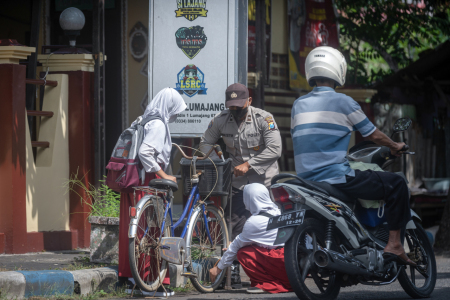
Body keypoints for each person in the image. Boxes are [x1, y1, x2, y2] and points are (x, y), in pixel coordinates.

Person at [291, 46, 416, 266]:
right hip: (336, 177)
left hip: (306, 179)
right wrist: (394, 144)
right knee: (396, 183)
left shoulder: (298, 104)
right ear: (338, 71)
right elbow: (373, 134)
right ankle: (395, 244)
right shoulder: (344, 102)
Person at [199, 83, 282, 283]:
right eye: (231, 106)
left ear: (249, 101)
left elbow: (275, 149)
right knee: (234, 226)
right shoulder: (220, 120)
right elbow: (205, 143)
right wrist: (215, 159)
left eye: (239, 106)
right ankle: (233, 273)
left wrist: (249, 164)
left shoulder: (264, 119)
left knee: (269, 228)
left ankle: (271, 272)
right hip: (237, 183)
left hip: (265, 183)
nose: (235, 110)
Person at [118, 87, 187, 297]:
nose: (175, 115)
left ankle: (132, 277)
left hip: (134, 180)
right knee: (152, 230)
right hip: (149, 181)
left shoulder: (145, 119)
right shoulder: (158, 124)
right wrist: (163, 176)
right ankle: (150, 279)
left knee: (137, 231)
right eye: (175, 110)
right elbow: (146, 152)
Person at [209, 183, 293, 294]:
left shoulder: (254, 222)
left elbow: (235, 246)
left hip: (280, 263)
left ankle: (269, 284)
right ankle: (287, 282)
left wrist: (217, 269)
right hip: (293, 264)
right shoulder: (280, 212)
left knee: (243, 253)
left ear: (248, 200)